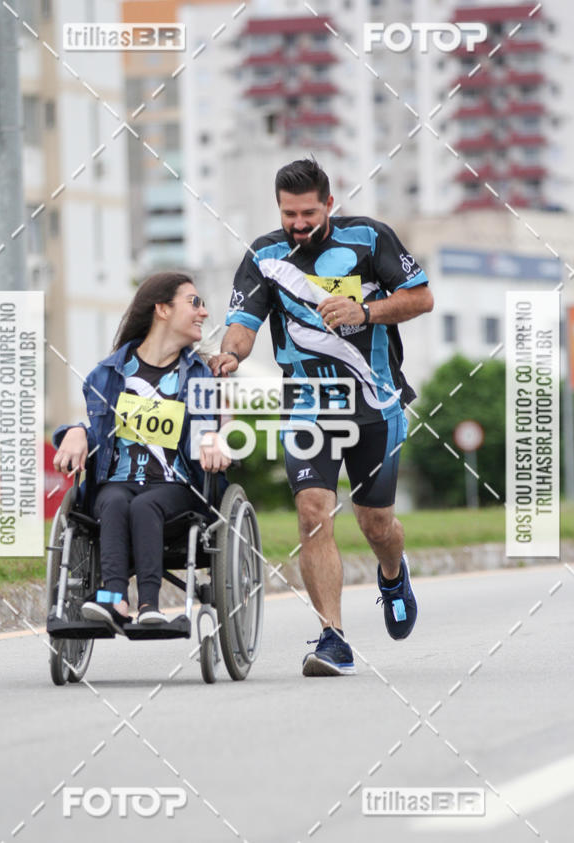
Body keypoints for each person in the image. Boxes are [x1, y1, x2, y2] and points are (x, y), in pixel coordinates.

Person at [211, 158, 433, 676]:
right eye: (289, 214)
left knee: (376, 523)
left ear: (329, 204)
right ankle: (333, 638)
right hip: (309, 406)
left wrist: (367, 312)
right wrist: (230, 355)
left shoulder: (370, 239)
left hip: (375, 401)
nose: (299, 223)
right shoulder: (265, 256)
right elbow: (243, 325)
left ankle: (393, 573)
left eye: (308, 212)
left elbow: (421, 297)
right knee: (313, 513)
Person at [53, 272, 230, 635]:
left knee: (144, 504)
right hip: (115, 482)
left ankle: (149, 604)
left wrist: (215, 435)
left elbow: (214, 425)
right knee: (117, 501)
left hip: (175, 485)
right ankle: (115, 599)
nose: (204, 312)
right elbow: (98, 431)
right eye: (194, 303)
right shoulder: (109, 374)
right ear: (162, 309)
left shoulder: (200, 375)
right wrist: (73, 432)